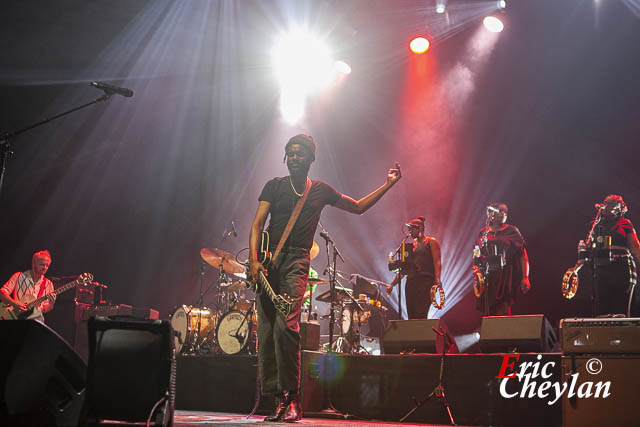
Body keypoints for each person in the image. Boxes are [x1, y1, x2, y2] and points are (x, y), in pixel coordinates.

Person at [249, 134, 401, 422]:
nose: (294, 158)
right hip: (268, 263)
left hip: (297, 261)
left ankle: (293, 399)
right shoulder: (274, 185)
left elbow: (357, 207)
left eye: (299, 154)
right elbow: (257, 224)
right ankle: (277, 398)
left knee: (286, 326)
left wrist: (388, 185)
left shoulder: (319, 190)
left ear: (310, 158)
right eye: (290, 153)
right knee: (267, 331)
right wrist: (255, 261)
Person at [472, 203, 530, 316]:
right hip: (488, 275)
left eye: (505, 212)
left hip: (505, 275)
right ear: (491, 214)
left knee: (502, 308)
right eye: (500, 211)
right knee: (488, 310)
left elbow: (523, 255)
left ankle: (503, 332)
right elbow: (476, 252)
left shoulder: (511, 231)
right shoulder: (483, 232)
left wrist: (525, 277)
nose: (503, 214)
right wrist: (475, 269)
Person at [587, 194, 640, 316]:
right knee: (603, 306)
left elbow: (635, 248)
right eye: (605, 203)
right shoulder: (596, 224)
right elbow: (589, 246)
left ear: (620, 207)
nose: (606, 206)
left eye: (611, 204)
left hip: (622, 267)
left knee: (621, 305)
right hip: (602, 267)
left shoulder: (625, 223)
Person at [385, 216, 442, 319]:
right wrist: (392, 284)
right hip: (411, 282)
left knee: (421, 313)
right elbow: (404, 269)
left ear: (420, 228)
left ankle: (421, 334)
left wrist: (437, 279)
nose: (410, 232)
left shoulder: (431, 242)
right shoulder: (410, 247)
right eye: (409, 229)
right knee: (411, 314)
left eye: (412, 229)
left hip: (426, 281)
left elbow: (437, 262)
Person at [0, 250, 56, 322]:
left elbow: (45, 309)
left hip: (35, 324)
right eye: (42, 264)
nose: (45, 268)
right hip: (15, 320)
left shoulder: (48, 284)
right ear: (33, 263)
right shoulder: (18, 276)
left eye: (47, 265)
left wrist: (51, 304)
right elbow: (2, 293)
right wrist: (14, 303)